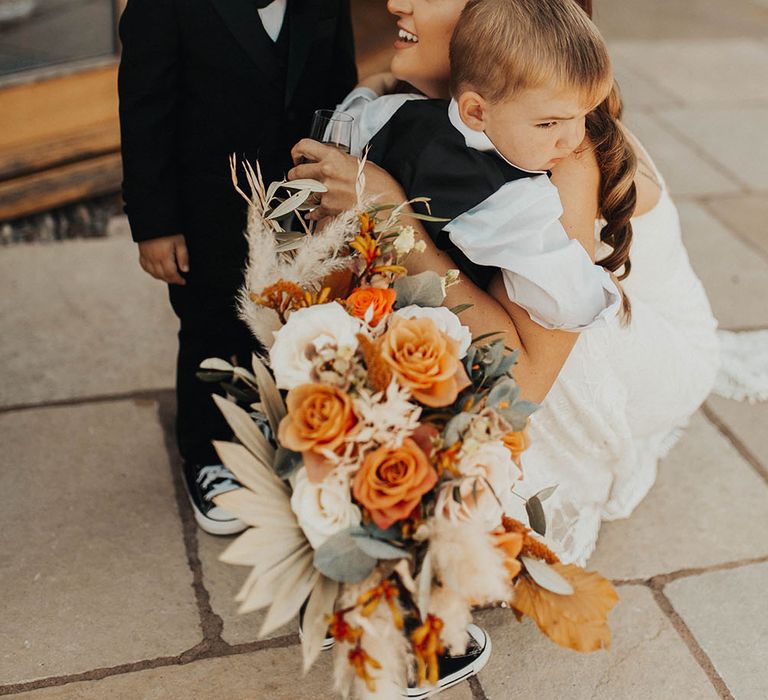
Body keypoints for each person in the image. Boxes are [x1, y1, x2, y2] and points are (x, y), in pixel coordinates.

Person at [288, 0, 721, 568]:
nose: (396, 1)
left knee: (472, 474)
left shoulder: (563, 152)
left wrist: (390, 215)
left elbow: (522, 384)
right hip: (528, 317)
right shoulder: (400, 94)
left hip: (614, 336)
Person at [118, 0, 357, 535]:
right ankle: (208, 453)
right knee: (210, 325)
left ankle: (275, 427)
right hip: (206, 213)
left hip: (300, 204)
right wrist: (154, 224)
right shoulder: (165, 10)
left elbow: (341, 87)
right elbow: (144, 114)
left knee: (295, 320)